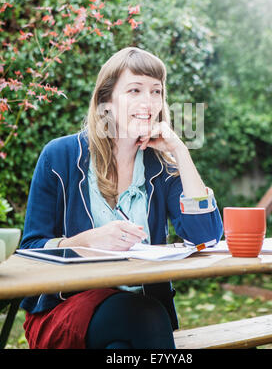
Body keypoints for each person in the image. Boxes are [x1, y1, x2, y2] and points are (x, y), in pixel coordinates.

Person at [20, 47, 223, 349]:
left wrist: (180, 151)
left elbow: (206, 236)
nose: (148, 102)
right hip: (65, 309)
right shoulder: (59, 157)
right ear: (106, 103)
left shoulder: (161, 167)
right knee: (145, 318)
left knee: (122, 347)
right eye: (134, 90)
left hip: (139, 317)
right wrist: (85, 241)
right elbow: (30, 250)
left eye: (156, 91)